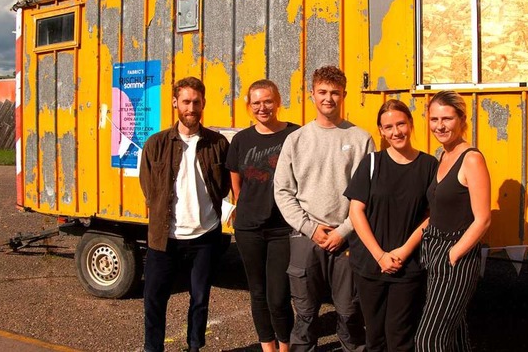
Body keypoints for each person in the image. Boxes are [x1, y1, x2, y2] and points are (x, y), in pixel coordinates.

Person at [274, 66, 374, 352]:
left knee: (349, 312)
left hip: (348, 239)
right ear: (312, 95)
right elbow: (283, 191)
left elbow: (367, 194)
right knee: (304, 315)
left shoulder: (360, 139)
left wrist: (343, 231)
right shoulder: (296, 140)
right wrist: (311, 228)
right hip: (306, 238)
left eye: (334, 93)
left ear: (344, 95)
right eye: (322, 92)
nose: (328, 98)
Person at [139, 76, 231, 352]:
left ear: (203, 104)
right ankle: (152, 348)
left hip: (205, 236)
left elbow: (224, 186)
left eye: (196, 102)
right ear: (175, 103)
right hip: (164, 237)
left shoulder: (217, 143)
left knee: (200, 298)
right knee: (154, 299)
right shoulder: (156, 144)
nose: (191, 108)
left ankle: (194, 346)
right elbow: (148, 187)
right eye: (186, 102)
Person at [345, 99, 438, 352]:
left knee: (400, 337)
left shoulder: (429, 166)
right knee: (374, 337)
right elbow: (356, 211)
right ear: (381, 131)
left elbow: (432, 215)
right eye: (389, 127)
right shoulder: (372, 163)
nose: (396, 132)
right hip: (370, 264)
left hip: (407, 266)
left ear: (410, 124)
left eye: (401, 124)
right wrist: (380, 255)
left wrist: (403, 251)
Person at [415, 90, 491, 352]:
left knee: (428, 339)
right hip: (435, 249)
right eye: (434, 119)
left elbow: (482, 219)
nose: (440, 125)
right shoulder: (443, 155)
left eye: (446, 118)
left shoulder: (471, 158)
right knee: (455, 336)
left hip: (456, 256)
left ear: (462, 118)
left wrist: (454, 254)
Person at [226, 79, 299, 352]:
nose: (262, 107)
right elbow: (237, 184)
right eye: (256, 102)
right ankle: (267, 347)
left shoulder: (294, 135)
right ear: (249, 106)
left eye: (267, 101)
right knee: (257, 293)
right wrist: (249, 206)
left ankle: (285, 346)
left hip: (282, 228)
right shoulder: (241, 140)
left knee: (278, 295)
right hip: (248, 228)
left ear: (278, 101)